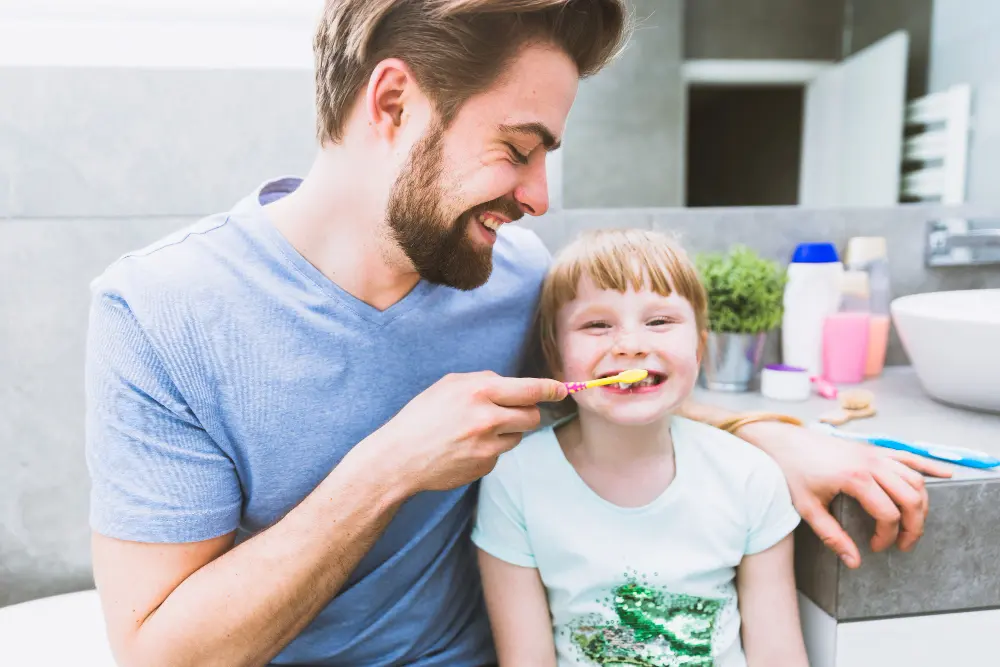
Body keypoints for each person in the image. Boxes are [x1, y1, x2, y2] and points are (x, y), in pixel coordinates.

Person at [84, 2, 950, 666]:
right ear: (393, 101)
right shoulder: (163, 311)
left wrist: (766, 437)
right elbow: (163, 650)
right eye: (517, 148)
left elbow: (618, 388)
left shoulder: (520, 275)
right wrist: (389, 467)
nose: (539, 195)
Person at [473, 228, 809, 667]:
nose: (630, 346)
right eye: (597, 325)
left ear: (699, 348)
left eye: (659, 321)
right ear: (555, 359)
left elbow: (779, 656)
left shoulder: (750, 476)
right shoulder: (514, 479)